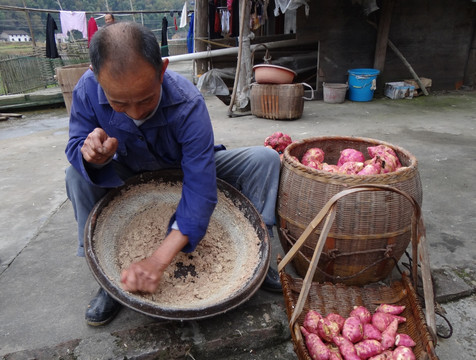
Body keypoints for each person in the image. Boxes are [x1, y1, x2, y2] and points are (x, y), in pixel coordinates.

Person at [65, 22, 282, 327]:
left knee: (266, 159)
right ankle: (107, 281)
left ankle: (262, 256)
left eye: (146, 98)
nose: (136, 112)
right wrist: (93, 157)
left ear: (162, 69)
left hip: (184, 167)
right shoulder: (87, 90)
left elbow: (199, 184)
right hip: (127, 170)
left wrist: (158, 260)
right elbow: (76, 143)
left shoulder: (188, 101)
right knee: (75, 175)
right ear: (96, 75)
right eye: (118, 103)